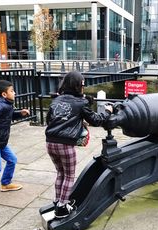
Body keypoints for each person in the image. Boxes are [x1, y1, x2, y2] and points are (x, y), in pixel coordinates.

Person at [45, 71, 113, 219]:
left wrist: (76, 120)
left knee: (60, 173)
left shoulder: (56, 100)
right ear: (78, 85)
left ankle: (58, 201)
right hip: (65, 145)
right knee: (69, 176)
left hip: (50, 142)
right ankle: (62, 208)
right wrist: (108, 111)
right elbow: (96, 120)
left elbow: (50, 120)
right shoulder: (81, 102)